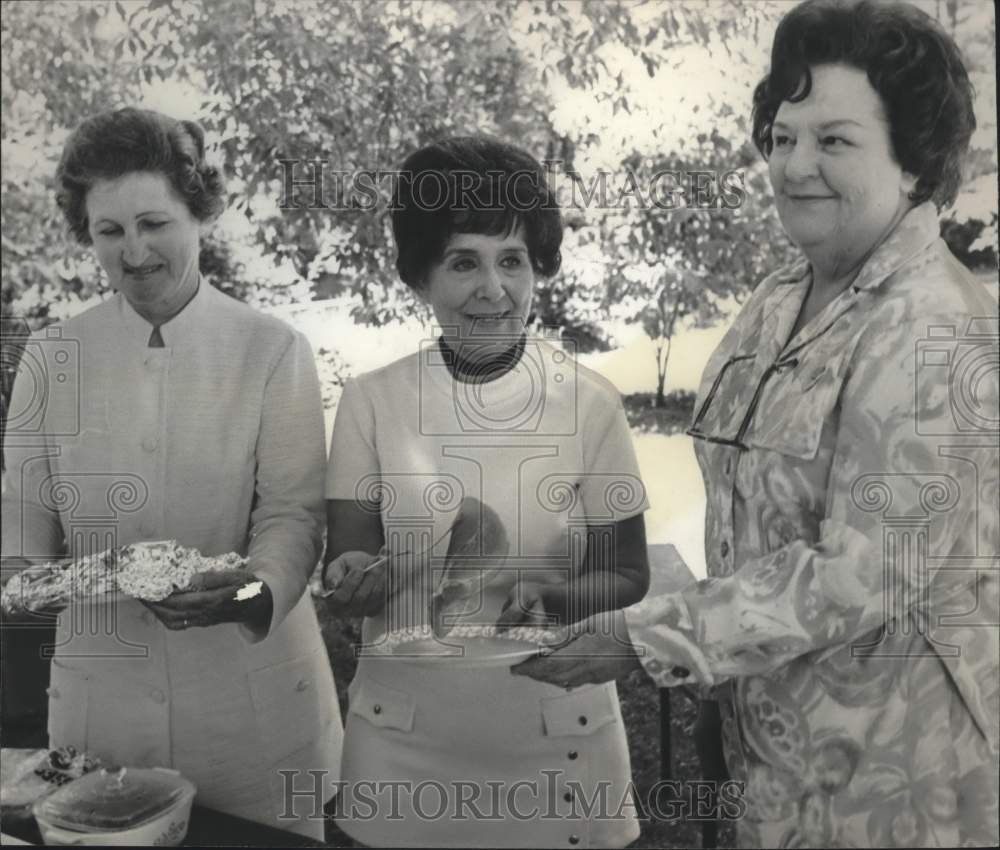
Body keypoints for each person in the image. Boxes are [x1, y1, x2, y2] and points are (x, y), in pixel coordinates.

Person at [514, 1, 999, 847]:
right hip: (767, 752)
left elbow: (865, 573)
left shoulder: (936, 327)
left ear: (915, 165)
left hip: (893, 780)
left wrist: (654, 639)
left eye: (835, 140)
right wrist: (717, 679)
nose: (793, 165)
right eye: (782, 136)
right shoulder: (782, 296)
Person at [0, 108, 342, 839]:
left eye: (155, 222)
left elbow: (294, 515)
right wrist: (29, 582)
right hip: (102, 716)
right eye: (110, 231)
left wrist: (251, 590)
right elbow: (21, 530)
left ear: (199, 214)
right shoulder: (51, 357)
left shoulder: (271, 350)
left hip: (252, 718)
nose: (135, 251)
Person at [322, 136, 651, 847]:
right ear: (419, 275)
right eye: (462, 261)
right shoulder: (371, 403)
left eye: (512, 261)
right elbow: (348, 558)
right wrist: (351, 579)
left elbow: (629, 572)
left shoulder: (590, 403)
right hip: (400, 745)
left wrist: (552, 596)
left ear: (539, 269)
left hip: (560, 737)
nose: (492, 289)